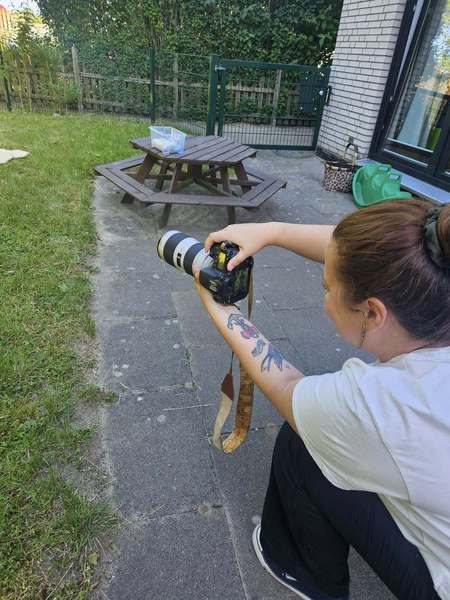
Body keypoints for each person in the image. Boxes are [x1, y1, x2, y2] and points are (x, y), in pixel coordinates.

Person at [193, 198, 450, 600]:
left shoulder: (388, 403)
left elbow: (286, 388)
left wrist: (217, 304)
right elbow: (369, 255)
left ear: (372, 313)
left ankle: (304, 575)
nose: (325, 295)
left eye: (327, 287)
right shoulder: (439, 274)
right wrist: (272, 231)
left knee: (303, 444)